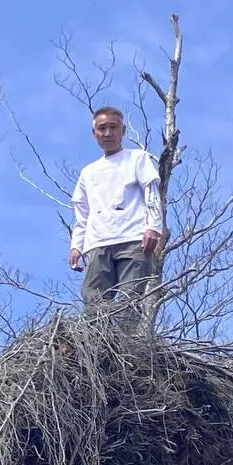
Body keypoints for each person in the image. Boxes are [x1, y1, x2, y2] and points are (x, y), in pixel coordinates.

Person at [69, 106, 161, 319]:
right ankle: (97, 348)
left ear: (123, 130)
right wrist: (76, 245)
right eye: (102, 128)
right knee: (93, 301)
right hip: (98, 242)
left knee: (130, 300)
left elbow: (152, 193)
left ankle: (127, 347)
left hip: (133, 238)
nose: (108, 133)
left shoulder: (137, 158)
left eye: (113, 127)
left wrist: (153, 227)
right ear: (94, 133)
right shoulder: (88, 172)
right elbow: (82, 212)